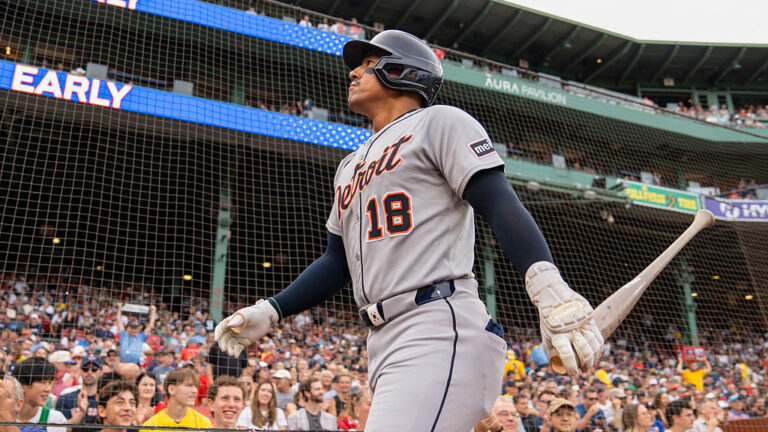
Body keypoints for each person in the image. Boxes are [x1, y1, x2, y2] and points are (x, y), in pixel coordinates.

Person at [215, 28, 603, 432]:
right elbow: (337, 260)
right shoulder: (349, 165)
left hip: (438, 323)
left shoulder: (440, 121)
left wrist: (544, 282)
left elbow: (498, 201)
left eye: (367, 64)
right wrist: (273, 309)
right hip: (381, 339)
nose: (353, 74)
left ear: (402, 71)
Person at [141, 368, 211, 431]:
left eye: (196, 386)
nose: (195, 390)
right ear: (172, 389)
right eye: (189, 385)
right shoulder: (151, 427)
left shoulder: (203, 423)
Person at [13, 358, 67, 432]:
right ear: (22, 386)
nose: (48, 389)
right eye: (43, 382)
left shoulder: (55, 419)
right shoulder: (5, 416)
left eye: (50, 383)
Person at [55, 354, 102, 432]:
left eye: (94, 369)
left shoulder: (106, 399)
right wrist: (81, 412)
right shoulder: (65, 397)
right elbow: (60, 429)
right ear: (80, 371)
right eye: (85, 368)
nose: (89, 372)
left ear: (100, 372)